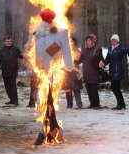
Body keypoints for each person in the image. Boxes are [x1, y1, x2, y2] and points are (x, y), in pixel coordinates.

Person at [33, 8, 73, 145]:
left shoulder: (38, 32)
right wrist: (69, 67)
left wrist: (42, 66)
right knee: (48, 102)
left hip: (47, 72)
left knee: (49, 101)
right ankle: (52, 131)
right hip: (50, 73)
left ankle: (49, 131)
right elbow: (66, 53)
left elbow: (38, 56)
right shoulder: (60, 32)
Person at [99, 34, 129, 110]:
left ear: (117, 41)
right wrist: (103, 63)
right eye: (112, 40)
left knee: (116, 88)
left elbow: (128, 50)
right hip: (112, 71)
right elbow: (107, 59)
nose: (113, 42)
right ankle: (121, 104)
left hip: (118, 70)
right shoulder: (110, 49)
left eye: (114, 40)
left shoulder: (120, 48)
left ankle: (120, 104)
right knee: (114, 88)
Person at [76, 34, 103, 109]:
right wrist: (75, 62)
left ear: (92, 41)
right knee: (89, 90)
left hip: (94, 72)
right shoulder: (84, 50)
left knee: (94, 90)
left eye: (88, 40)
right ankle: (92, 103)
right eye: (86, 41)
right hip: (87, 73)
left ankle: (96, 104)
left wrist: (101, 61)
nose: (86, 42)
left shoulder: (97, 49)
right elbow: (80, 60)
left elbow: (101, 58)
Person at [0, 35, 23, 106]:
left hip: (13, 70)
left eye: (10, 41)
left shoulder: (15, 49)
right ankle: (11, 99)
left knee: (12, 85)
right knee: (7, 86)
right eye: (7, 41)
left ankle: (15, 101)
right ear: (4, 42)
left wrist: (24, 55)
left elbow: (21, 56)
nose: (9, 42)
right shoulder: (2, 50)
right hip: (5, 70)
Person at [63, 37, 83, 109]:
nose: (72, 43)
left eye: (73, 42)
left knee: (76, 89)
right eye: (70, 42)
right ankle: (69, 104)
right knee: (68, 89)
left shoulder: (78, 51)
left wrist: (76, 62)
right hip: (67, 73)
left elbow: (80, 61)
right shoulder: (65, 51)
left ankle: (79, 104)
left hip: (76, 72)